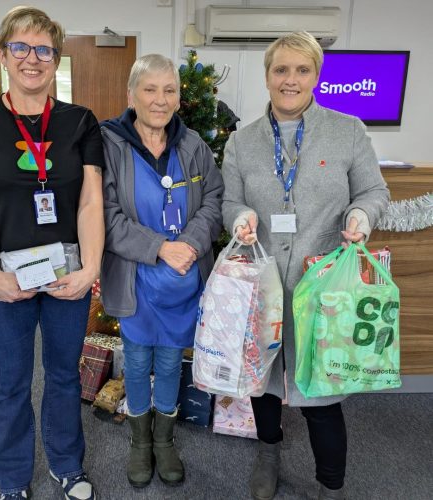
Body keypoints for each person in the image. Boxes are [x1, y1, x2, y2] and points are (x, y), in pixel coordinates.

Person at [221, 32, 389, 500]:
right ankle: (268, 453)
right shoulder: (242, 141)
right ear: (268, 76)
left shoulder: (347, 130)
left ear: (316, 76)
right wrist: (240, 218)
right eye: (281, 70)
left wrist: (360, 215)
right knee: (266, 384)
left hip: (323, 288)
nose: (290, 80)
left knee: (322, 398)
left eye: (301, 70)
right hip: (266, 287)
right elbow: (229, 201)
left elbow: (374, 192)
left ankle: (330, 485)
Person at [0, 6, 104, 500]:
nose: (32, 58)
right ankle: (13, 479)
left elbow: (90, 200)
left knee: (63, 376)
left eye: (43, 49)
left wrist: (91, 270)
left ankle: (66, 465)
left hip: (66, 274)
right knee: (11, 383)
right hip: (5, 277)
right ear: (3, 54)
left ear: (56, 57)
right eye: (21, 47)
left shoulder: (80, 121)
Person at [100, 54, 223, 488]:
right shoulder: (108, 145)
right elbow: (106, 216)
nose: (160, 99)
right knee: (136, 361)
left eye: (169, 90)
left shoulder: (193, 146)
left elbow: (213, 200)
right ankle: (140, 443)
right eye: (150, 89)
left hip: (183, 277)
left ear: (178, 96)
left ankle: (165, 441)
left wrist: (189, 244)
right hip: (135, 276)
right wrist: (160, 248)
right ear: (131, 94)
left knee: (171, 360)